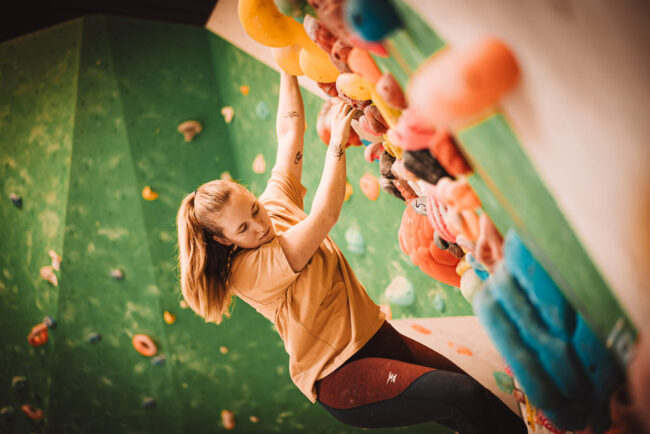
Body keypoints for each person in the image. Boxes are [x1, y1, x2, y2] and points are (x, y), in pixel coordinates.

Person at [176, 71, 526, 434]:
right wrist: (337, 146)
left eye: (253, 209)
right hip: (341, 375)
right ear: (223, 241)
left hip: (379, 337)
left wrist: (286, 68)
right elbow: (325, 216)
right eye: (242, 229)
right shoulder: (248, 271)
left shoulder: (274, 204)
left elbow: (288, 133)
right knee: (463, 397)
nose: (259, 225)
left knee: (478, 402)